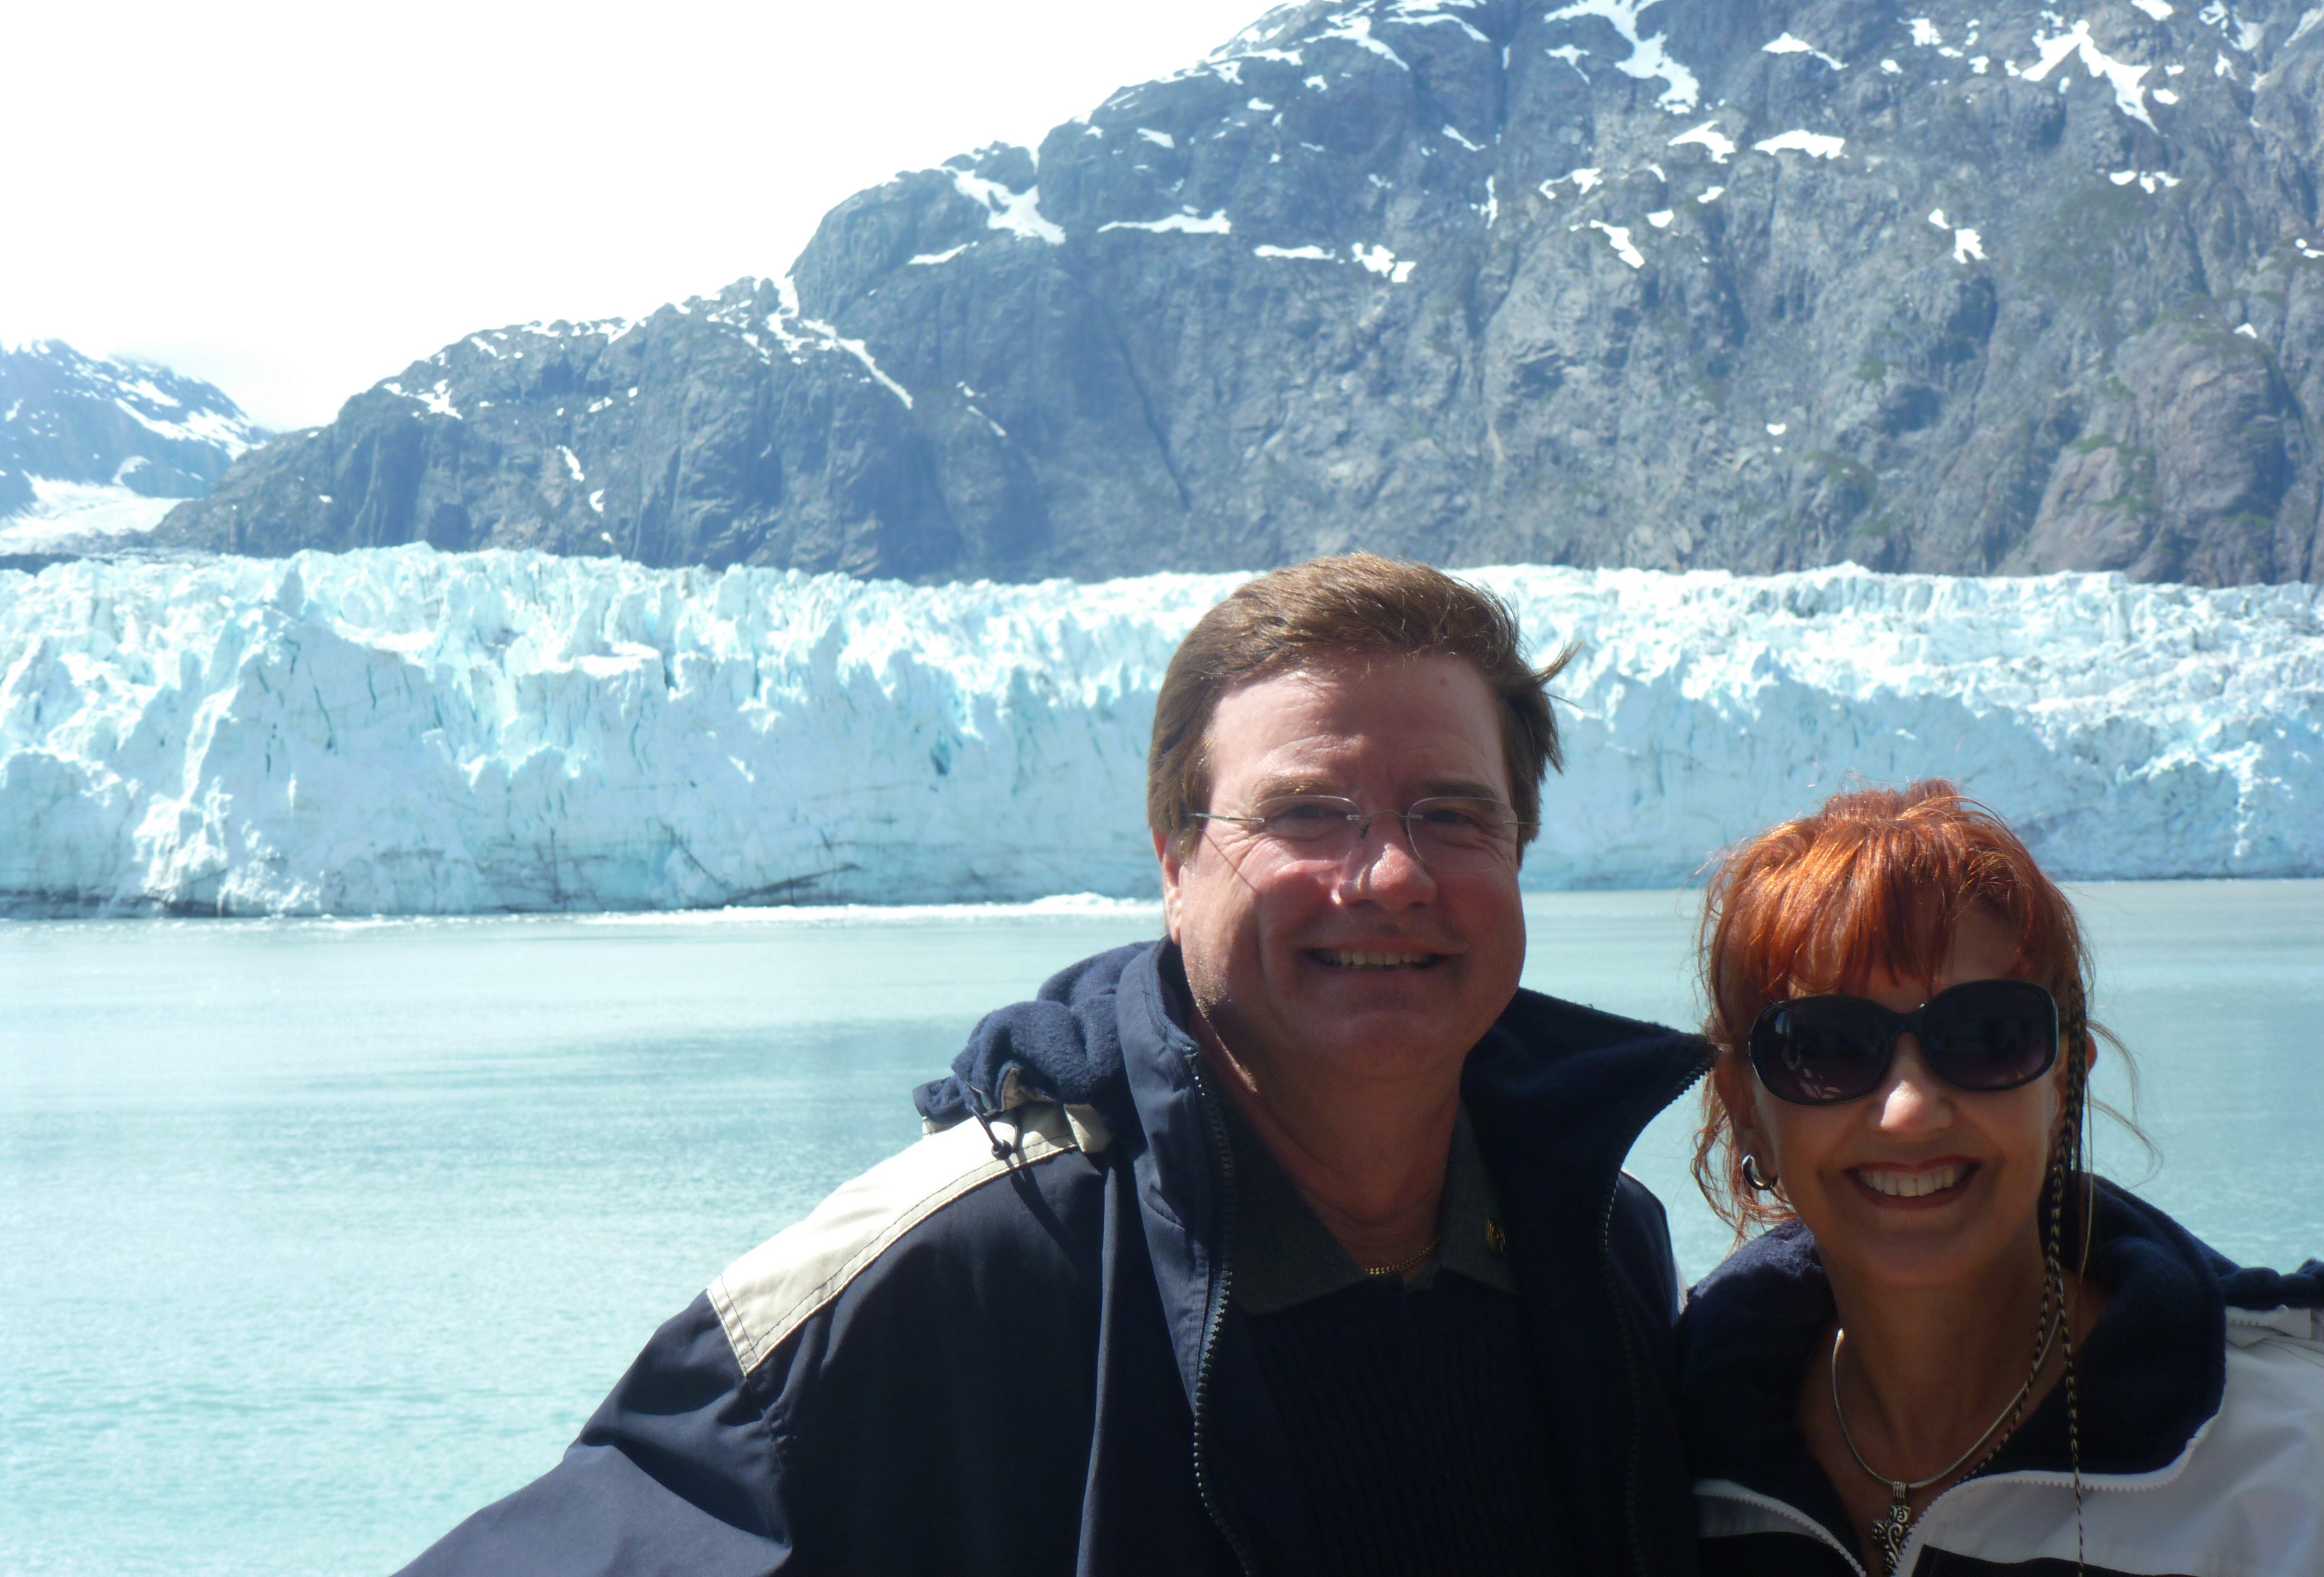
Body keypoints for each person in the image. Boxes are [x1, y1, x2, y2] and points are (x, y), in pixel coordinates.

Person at [396, 554, 1714, 1576]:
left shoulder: (1597, 1241)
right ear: (1176, 864)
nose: (1388, 875)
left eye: (1455, 816)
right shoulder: (942, 1272)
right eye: (1308, 813)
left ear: (1519, 852)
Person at [1676, 782, 2324, 1576]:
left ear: (2065, 1086)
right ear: (1745, 1108)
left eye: (1987, 1035)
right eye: (1825, 1047)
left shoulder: (2283, 1478)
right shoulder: (1666, 1452)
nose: (1910, 1111)